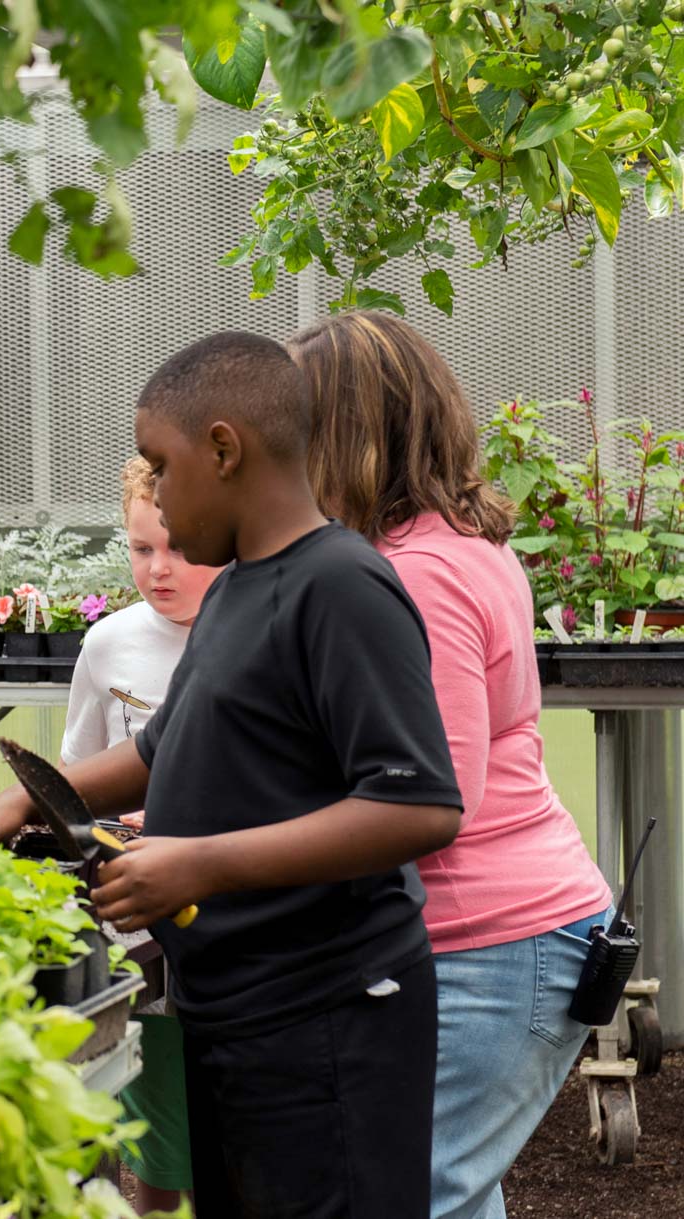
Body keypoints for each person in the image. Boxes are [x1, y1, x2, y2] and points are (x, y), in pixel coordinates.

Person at [0, 332, 463, 1219]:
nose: (153, 492)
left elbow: (417, 805)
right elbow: (163, 750)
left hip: (327, 1016)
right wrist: (22, 800)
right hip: (237, 1009)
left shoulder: (342, 586)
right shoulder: (235, 588)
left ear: (225, 449)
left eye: (161, 465)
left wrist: (198, 864)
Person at [286, 311, 614, 1219]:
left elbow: (439, 793)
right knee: (450, 1192)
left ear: (350, 434)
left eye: (299, 426)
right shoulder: (457, 542)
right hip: (512, 933)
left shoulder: (420, 573)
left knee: (410, 1194)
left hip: (496, 942)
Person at [60, 454, 221, 1214]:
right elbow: (79, 776)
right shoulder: (109, 644)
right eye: (141, 548)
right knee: (158, 1124)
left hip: (237, 919)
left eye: (179, 548)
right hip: (145, 931)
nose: (160, 568)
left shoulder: (259, 633)